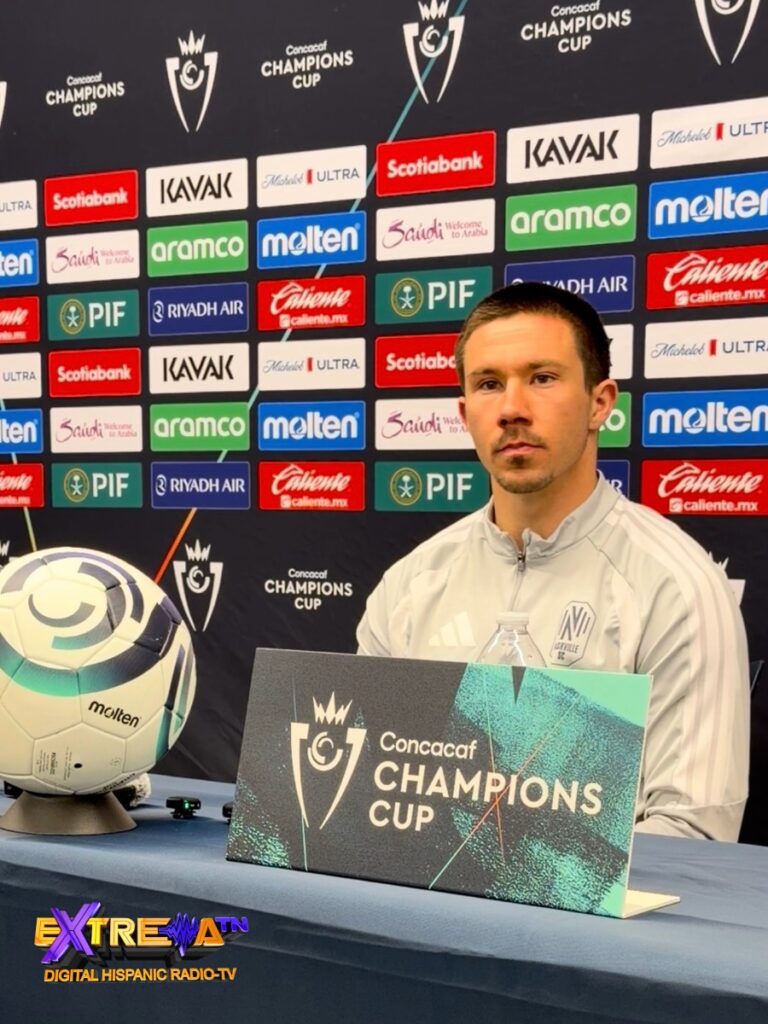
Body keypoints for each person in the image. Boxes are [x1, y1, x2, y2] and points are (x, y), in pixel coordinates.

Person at [357, 282, 749, 841]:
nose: (513, 408)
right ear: (466, 413)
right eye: (489, 384)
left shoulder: (677, 587)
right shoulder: (409, 585)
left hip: (595, 927)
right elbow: (364, 799)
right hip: (412, 920)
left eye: (542, 378)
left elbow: (693, 835)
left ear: (600, 402)